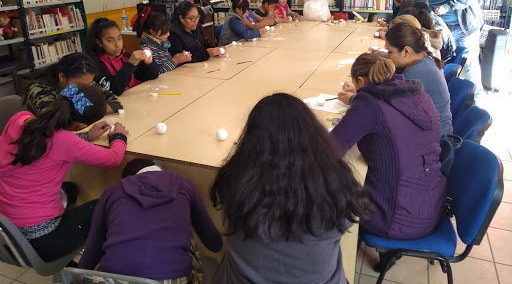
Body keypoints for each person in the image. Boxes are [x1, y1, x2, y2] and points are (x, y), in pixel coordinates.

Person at [210, 93, 371, 284]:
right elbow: (345, 220)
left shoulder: (234, 182)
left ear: (251, 140)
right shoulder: (336, 186)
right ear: (314, 135)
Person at [0, 84, 127, 263]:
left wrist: (84, 137)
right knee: (113, 201)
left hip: (7, 229)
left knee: (70, 189)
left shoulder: (20, 119)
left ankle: (70, 247)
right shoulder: (63, 141)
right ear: (80, 125)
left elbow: (49, 144)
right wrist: (119, 137)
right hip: (41, 240)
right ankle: (86, 265)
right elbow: (113, 159)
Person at [332, 53, 446, 243]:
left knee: (331, 185)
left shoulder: (368, 104)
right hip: (431, 207)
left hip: (396, 219)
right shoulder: (417, 94)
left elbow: (330, 149)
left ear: (360, 81)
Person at [79, 158, 222, 282]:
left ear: (128, 179)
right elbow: (215, 244)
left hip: (115, 279)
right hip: (173, 277)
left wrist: (78, 276)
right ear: (158, 169)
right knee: (188, 243)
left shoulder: (112, 192)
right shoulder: (184, 185)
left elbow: (92, 250)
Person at [409, 0, 483, 90]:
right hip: (444, 32)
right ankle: (448, 93)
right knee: (447, 64)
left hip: (464, 28)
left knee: (470, 64)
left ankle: (473, 99)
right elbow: (413, 8)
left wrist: (447, 6)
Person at [384, 20, 453, 135]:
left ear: (406, 51)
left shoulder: (415, 73)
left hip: (435, 139)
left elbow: (392, 110)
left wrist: (356, 98)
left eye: (390, 51)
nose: (387, 55)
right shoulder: (424, 60)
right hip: (435, 130)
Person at [24, 52, 122, 117]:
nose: (85, 89)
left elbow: (115, 103)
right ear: (62, 77)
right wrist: (87, 107)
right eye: (79, 85)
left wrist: (89, 110)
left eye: (88, 85)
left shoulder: (84, 83)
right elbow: (54, 120)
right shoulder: (39, 90)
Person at [86, 17, 159, 96]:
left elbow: (152, 76)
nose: (117, 45)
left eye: (119, 38)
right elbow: (115, 90)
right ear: (99, 42)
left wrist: (149, 63)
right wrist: (130, 64)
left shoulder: (125, 56)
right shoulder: (96, 64)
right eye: (110, 41)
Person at [134, 7, 191, 74]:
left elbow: (168, 66)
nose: (168, 34)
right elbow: (156, 73)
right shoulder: (148, 49)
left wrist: (181, 59)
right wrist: (175, 61)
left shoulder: (161, 44)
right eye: (165, 31)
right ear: (152, 31)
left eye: (168, 31)